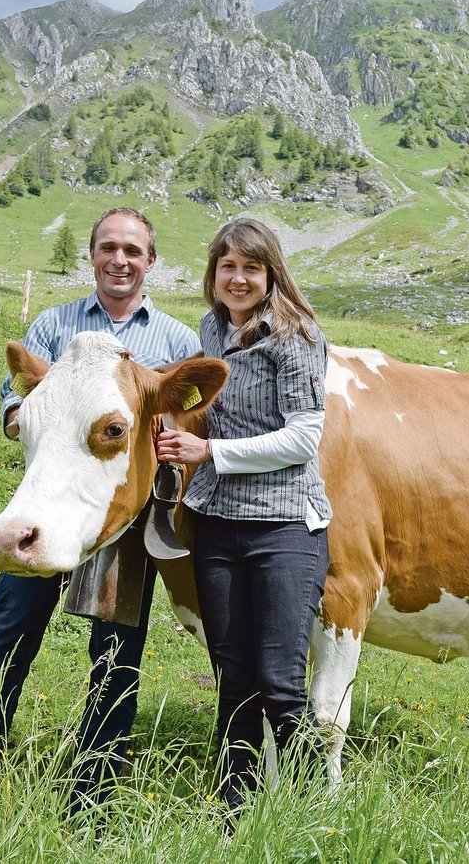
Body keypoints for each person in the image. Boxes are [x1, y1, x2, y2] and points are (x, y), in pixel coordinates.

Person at [0, 207, 199, 811]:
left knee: (116, 658)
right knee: (8, 638)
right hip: (52, 507)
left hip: (123, 524)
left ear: (151, 262)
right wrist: (27, 417)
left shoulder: (175, 342)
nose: (120, 259)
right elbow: (15, 402)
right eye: (108, 247)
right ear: (92, 256)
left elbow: (188, 415)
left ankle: (91, 798)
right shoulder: (54, 325)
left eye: (133, 250)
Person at [155, 217, 331, 815]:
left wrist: (213, 454)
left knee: (281, 684)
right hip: (218, 524)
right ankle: (235, 814)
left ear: (270, 274)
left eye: (250, 268)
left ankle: (309, 818)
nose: (238, 279)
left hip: (285, 526)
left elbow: (306, 437)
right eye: (227, 266)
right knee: (233, 683)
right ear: (214, 273)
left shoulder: (297, 336)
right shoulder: (211, 329)